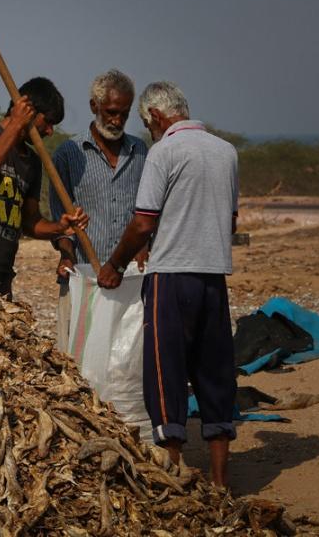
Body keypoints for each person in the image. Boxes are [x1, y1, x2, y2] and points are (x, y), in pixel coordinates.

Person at [96, 81, 239, 487]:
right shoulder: (225, 152)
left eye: (147, 123)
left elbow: (143, 221)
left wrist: (115, 264)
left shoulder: (163, 152)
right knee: (215, 374)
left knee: (166, 374)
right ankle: (219, 481)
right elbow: (228, 222)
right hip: (214, 278)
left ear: (156, 118)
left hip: (171, 279)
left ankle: (174, 470)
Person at [0, 77, 88, 299]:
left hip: (2, 270)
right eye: (49, 121)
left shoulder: (32, 162)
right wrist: (16, 123)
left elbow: (30, 223)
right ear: (28, 112)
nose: (50, 131)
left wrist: (60, 227)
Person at [50, 69, 148, 351]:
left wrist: (144, 245)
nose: (117, 121)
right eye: (111, 112)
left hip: (130, 276)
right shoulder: (69, 153)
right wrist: (66, 256)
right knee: (78, 356)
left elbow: (150, 211)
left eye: (124, 114)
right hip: (84, 276)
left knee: (127, 357)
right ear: (95, 106)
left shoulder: (140, 151)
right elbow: (62, 221)